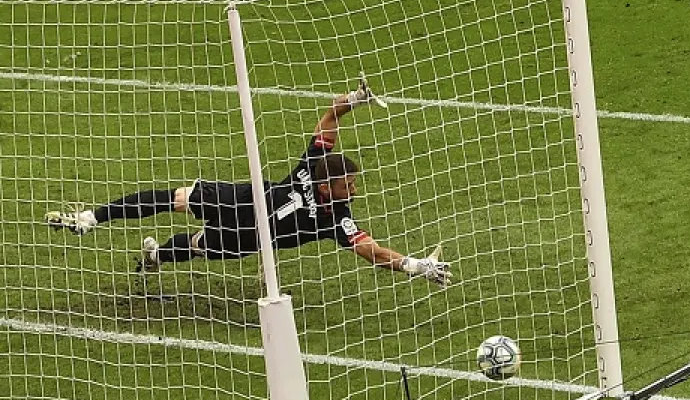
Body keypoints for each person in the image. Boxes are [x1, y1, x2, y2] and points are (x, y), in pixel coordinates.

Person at [45, 80, 452, 286]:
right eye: (348, 183)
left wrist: (416, 265)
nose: (354, 190)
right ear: (328, 184)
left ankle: (153, 259)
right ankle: (89, 218)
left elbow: (373, 252)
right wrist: (354, 98)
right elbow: (330, 117)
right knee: (177, 198)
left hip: (249, 238)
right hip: (241, 199)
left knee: (195, 246)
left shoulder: (336, 219)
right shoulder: (312, 166)